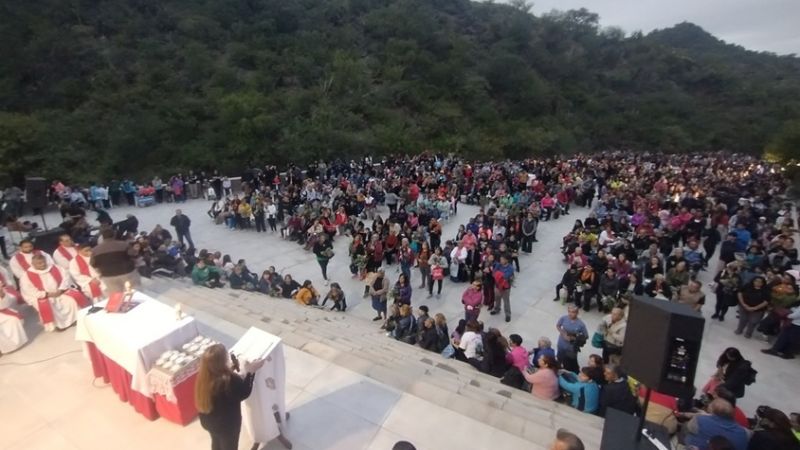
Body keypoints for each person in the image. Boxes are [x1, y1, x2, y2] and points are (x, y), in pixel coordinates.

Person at [195, 344, 265, 450]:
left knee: (216, 441)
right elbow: (244, 392)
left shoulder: (203, 377)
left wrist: (231, 369)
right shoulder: (229, 380)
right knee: (229, 446)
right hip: (227, 425)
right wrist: (251, 371)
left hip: (208, 421)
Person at [20, 254, 89, 331]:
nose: (42, 264)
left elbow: (66, 278)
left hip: (60, 292)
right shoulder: (26, 276)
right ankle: (58, 326)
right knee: (49, 307)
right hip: (45, 296)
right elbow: (29, 290)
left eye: (43, 262)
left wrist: (61, 289)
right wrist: (47, 294)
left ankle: (74, 319)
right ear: (33, 264)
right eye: (39, 263)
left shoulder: (55, 267)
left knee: (71, 300)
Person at [682, 399, 749, 450]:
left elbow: (687, 428)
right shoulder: (744, 432)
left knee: (685, 427)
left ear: (712, 412)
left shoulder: (700, 420)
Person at [91, 227, 140, 292]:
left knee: (117, 296)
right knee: (134, 292)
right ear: (114, 235)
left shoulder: (95, 250)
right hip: (127, 273)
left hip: (108, 276)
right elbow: (133, 254)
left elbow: (92, 264)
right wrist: (136, 249)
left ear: (103, 237)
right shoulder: (123, 244)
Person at [556, 305, 588, 373]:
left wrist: (574, 338)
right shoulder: (563, 318)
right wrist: (563, 333)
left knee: (570, 362)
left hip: (572, 347)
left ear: (577, 313)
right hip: (561, 343)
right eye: (569, 311)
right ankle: (558, 369)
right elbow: (558, 325)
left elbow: (586, 336)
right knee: (559, 357)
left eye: (573, 312)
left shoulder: (581, 324)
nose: (570, 314)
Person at [490, 254, 514, 322]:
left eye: (502, 259)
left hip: (505, 288)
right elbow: (494, 273)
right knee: (497, 298)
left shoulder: (510, 268)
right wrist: (499, 274)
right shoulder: (498, 265)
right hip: (497, 286)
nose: (501, 261)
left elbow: (506, 276)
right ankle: (497, 309)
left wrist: (499, 274)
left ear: (506, 260)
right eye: (500, 259)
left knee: (506, 301)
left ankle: (508, 314)